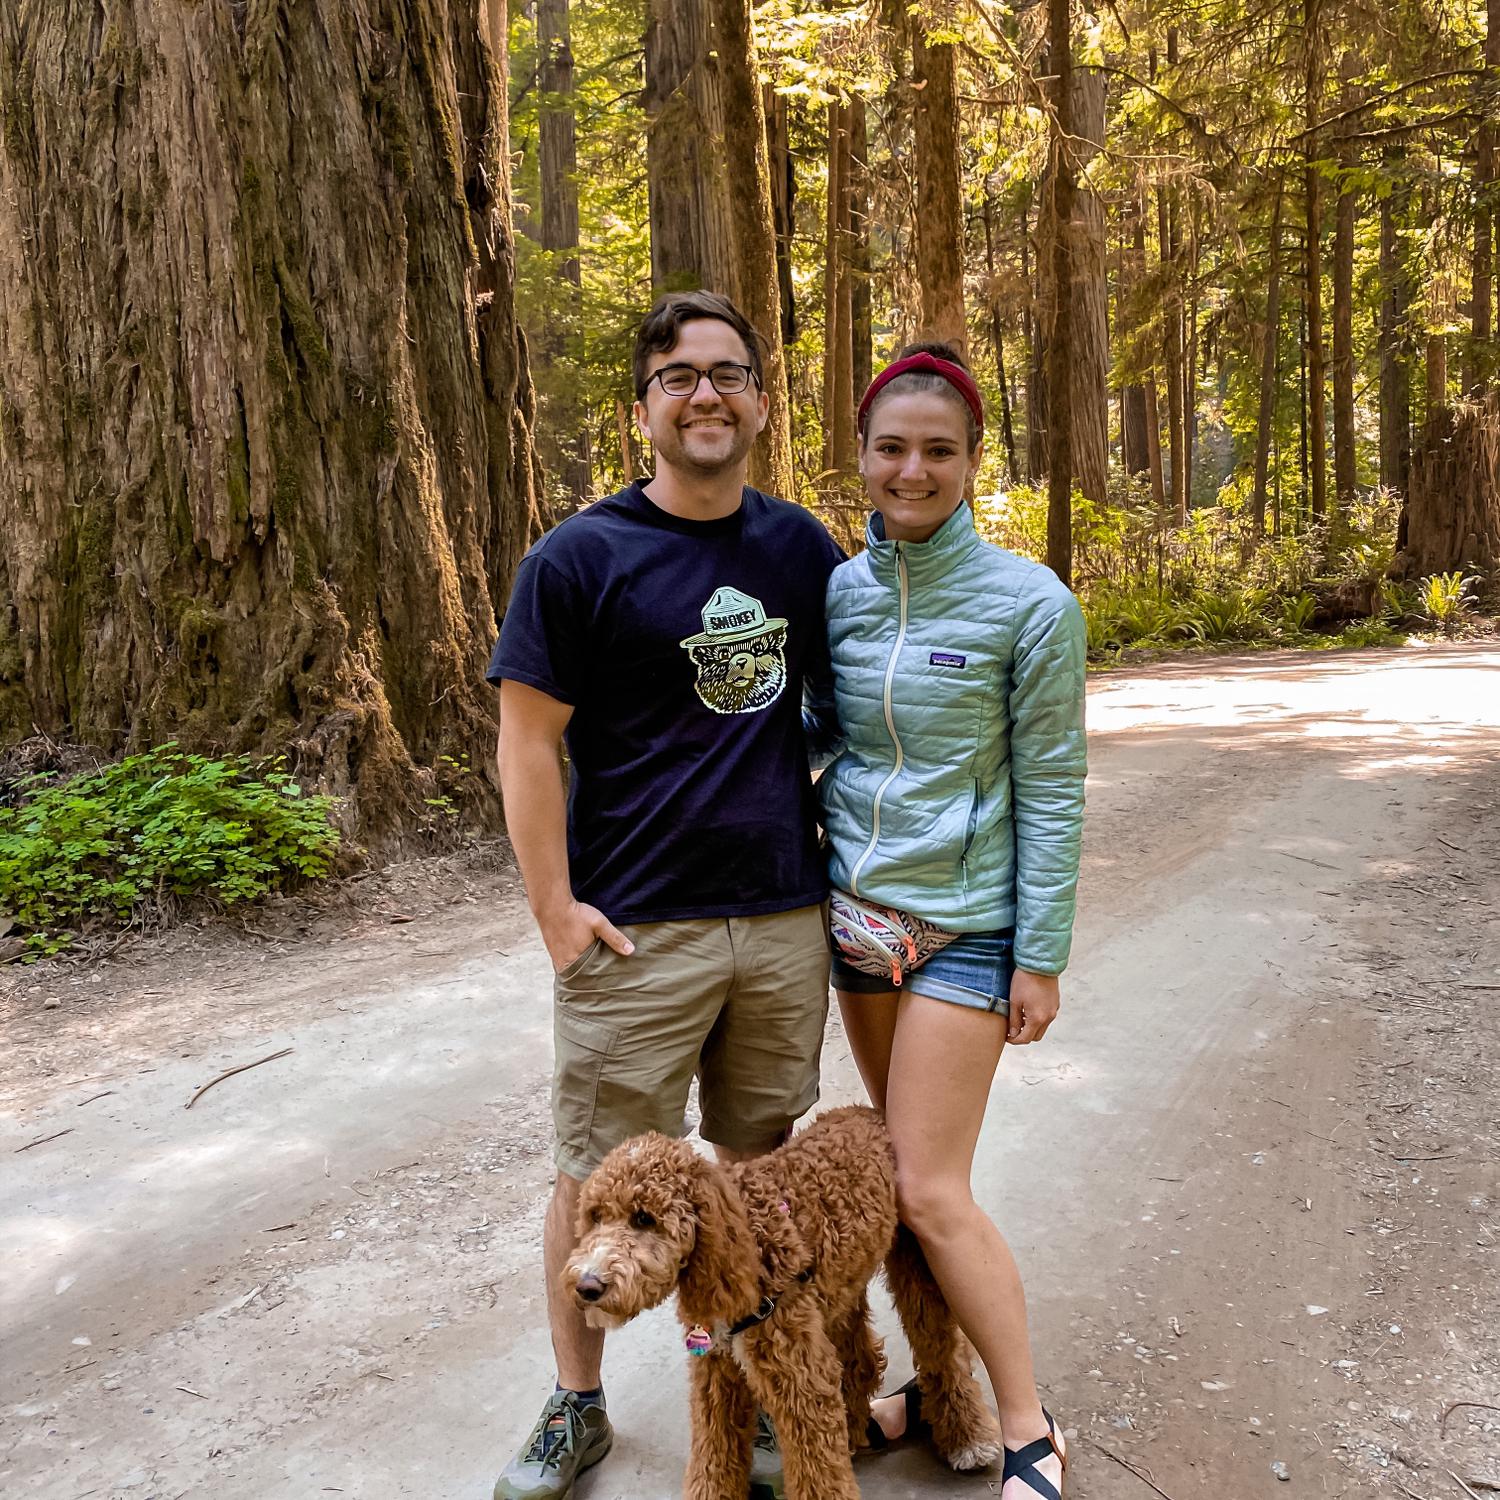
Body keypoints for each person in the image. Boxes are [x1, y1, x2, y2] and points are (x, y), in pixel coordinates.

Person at [487, 290, 844, 1500]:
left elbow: (856, 714)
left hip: (783, 918)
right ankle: (577, 1406)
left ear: (758, 400)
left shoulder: (802, 549)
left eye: (729, 373)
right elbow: (527, 742)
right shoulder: (580, 558)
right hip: (638, 931)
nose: (706, 394)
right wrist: (554, 910)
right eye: (680, 376)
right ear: (644, 407)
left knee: (749, 1181)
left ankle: (739, 1390)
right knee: (597, 1187)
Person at [819, 343, 1086, 1499]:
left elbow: (1056, 785)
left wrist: (1043, 955)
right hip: (855, 925)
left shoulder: (1031, 602)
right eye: (892, 448)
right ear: (864, 457)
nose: (912, 470)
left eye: (938, 450)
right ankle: (937, 1394)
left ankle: (1027, 1424)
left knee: (930, 1186)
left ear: (975, 461)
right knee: (895, 1177)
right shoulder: (837, 592)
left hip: (967, 931)